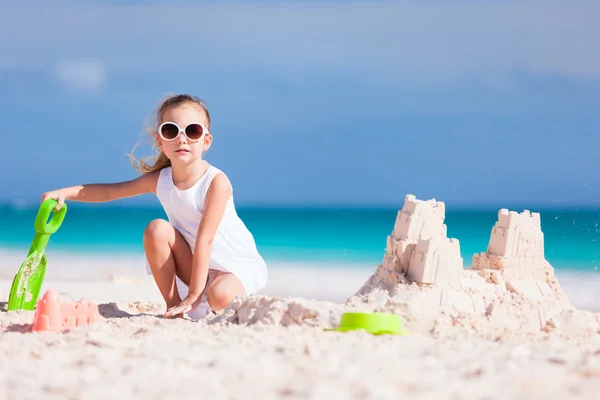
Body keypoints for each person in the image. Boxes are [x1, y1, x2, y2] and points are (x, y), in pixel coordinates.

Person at [41, 93, 268, 320]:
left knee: (219, 296)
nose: (182, 139)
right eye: (171, 131)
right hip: (195, 266)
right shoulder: (161, 180)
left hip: (232, 267)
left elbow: (204, 240)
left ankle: (208, 298)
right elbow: (110, 191)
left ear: (206, 141)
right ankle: (174, 307)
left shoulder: (216, 182)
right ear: (160, 141)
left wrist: (195, 293)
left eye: (192, 131)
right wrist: (65, 193)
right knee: (156, 229)